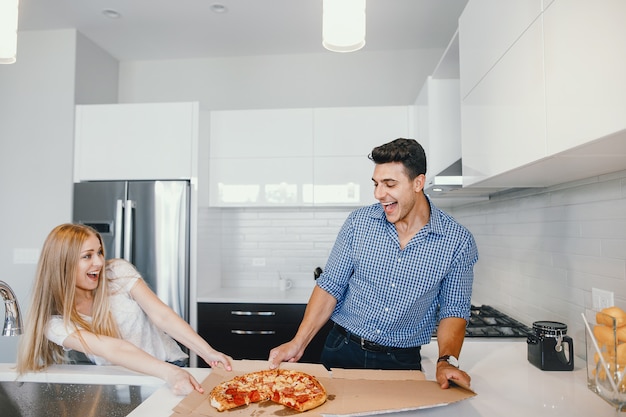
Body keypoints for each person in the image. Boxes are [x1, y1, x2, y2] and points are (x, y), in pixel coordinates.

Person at [268, 138, 478, 389]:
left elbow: (454, 310)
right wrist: (298, 342)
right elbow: (330, 285)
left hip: (401, 361)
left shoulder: (457, 241)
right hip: (343, 349)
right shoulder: (358, 223)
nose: (379, 194)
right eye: (376, 184)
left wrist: (446, 361)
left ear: (418, 183)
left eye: (390, 184)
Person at [16, 223, 232, 395]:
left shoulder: (116, 272)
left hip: (169, 368)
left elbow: (162, 315)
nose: (99, 262)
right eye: (87, 256)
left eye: (99, 252)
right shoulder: (55, 324)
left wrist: (208, 352)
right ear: (62, 264)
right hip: (120, 385)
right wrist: (172, 373)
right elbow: (114, 349)